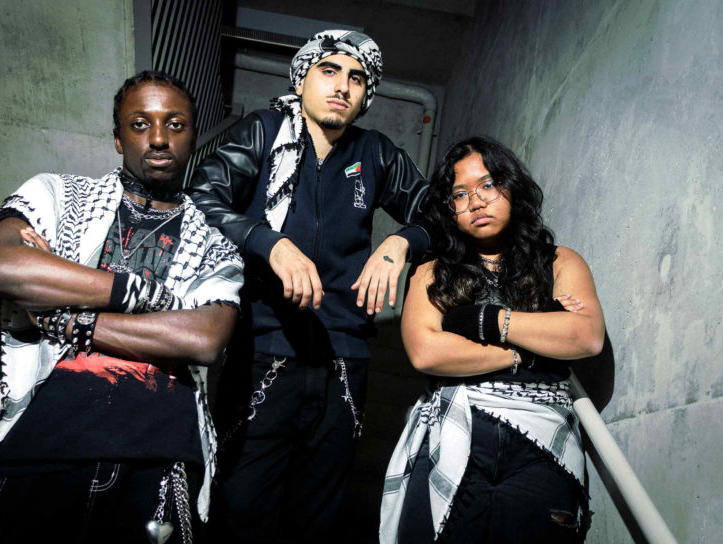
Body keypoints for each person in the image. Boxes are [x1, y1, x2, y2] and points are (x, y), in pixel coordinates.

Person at [0, 71, 244, 543]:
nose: (158, 138)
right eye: (140, 124)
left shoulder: (216, 244)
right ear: (118, 138)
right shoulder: (59, 195)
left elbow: (203, 338)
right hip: (40, 439)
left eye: (175, 124)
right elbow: (0, 267)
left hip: (156, 457)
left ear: (192, 137)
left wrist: (64, 317)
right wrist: (143, 296)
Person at [189, 30, 430, 542]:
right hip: (262, 347)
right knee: (239, 510)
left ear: (365, 95)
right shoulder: (262, 131)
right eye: (329, 71)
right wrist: (267, 241)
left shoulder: (376, 153)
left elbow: (442, 216)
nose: (342, 86)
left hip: (344, 360)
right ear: (301, 80)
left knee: (318, 518)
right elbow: (200, 201)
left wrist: (401, 241)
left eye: (356, 78)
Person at [380, 136, 605, 543]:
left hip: (542, 446)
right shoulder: (431, 271)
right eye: (460, 194)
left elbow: (585, 337)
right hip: (454, 433)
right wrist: (529, 351)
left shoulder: (560, 262)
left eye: (488, 185)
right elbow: (426, 351)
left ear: (512, 188)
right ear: (449, 208)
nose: (476, 202)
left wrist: (486, 320)